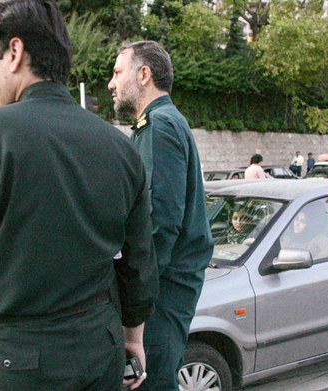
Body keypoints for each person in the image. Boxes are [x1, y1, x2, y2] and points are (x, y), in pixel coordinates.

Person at [0, 1, 158, 390]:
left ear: (14, 52)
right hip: (100, 344)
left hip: (18, 358)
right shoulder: (121, 146)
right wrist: (133, 339)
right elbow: (139, 262)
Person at [107, 40, 214, 391]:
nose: (111, 83)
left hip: (160, 295)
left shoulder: (158, 125)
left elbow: (158, 225)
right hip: (168, 290)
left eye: (117, 72)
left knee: (150, 382)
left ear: (144, 75)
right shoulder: (166, 121)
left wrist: (136, 299)